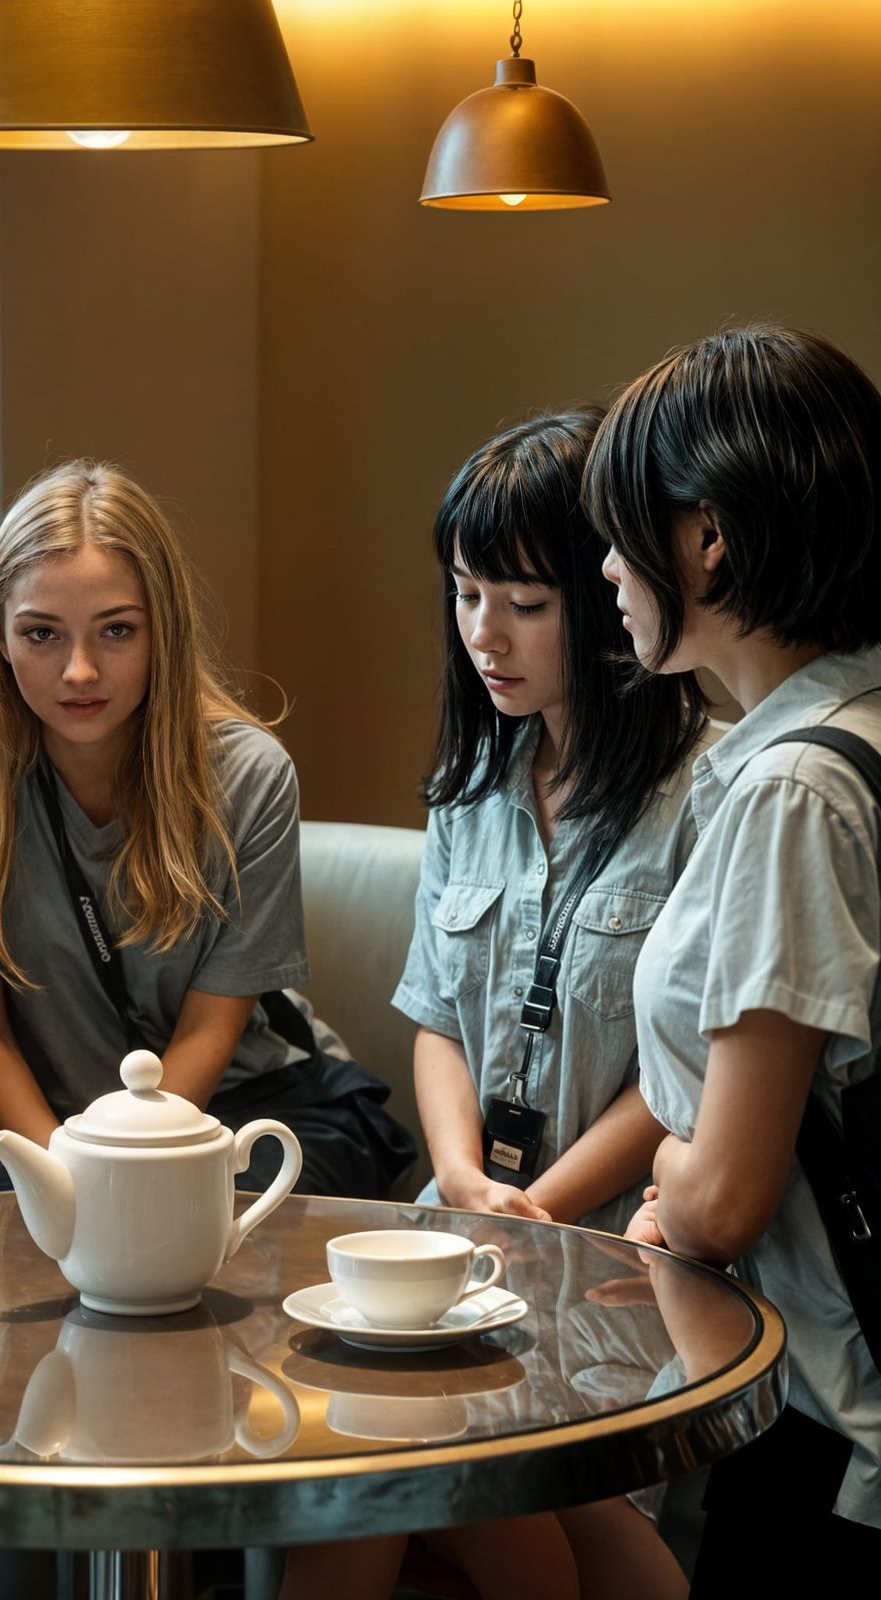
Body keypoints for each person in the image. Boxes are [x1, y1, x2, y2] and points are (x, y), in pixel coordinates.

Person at [286, 410, 707, 1600]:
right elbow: (434, 1018)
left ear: (611, 591)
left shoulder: (707, 792)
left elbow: (686, 1077)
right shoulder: (474, 784)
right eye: (466, 594)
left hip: (625, 1236)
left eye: (525, 602)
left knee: (454, 1473)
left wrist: (532, 1212)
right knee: (365, 1465)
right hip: (464, 1220)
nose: (485, 634)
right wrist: (464, 1183)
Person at [591, 324, 881, 1585]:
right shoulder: (848, 724)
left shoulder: (794, 795)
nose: (607, 568)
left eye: (619, 531)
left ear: (706, 537)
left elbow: (723, 1198)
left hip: (828, 1418)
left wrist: (670, 1163)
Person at [0, 459, 410, 1200]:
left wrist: (132, 1170)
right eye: (42, 634)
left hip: (237, 1108)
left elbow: (213, 1028)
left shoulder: (248, 774)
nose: (80, 671)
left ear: (165, 628)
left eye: (116, 631)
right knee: (5, 1251)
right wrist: (70, 1173)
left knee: (229, 1230)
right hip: (41, 1127)